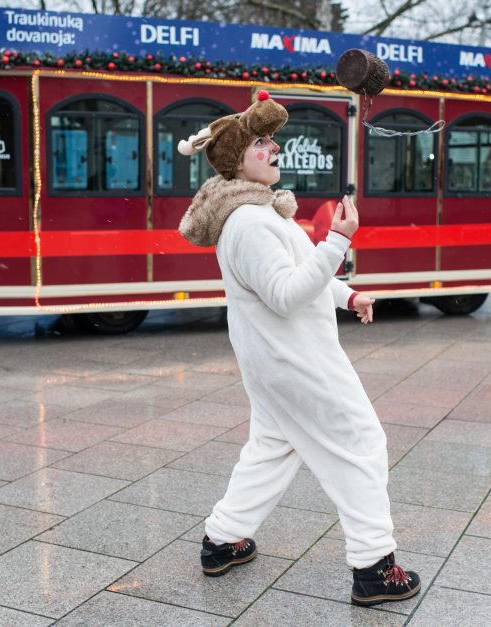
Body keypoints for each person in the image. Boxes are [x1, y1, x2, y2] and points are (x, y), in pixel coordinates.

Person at [177, 91, 420, 607]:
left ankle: (221, 541)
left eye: (271, 139)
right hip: (297, 362)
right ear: (237, 160)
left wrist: (347, 293)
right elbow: (287, 296)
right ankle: (375, 568)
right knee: (361, 444)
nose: (274, 147)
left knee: (272, 448)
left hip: (273, 363)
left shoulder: (263, 213)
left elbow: (297, 278)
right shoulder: (249, 223)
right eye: (261, 142)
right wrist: (339, 242)